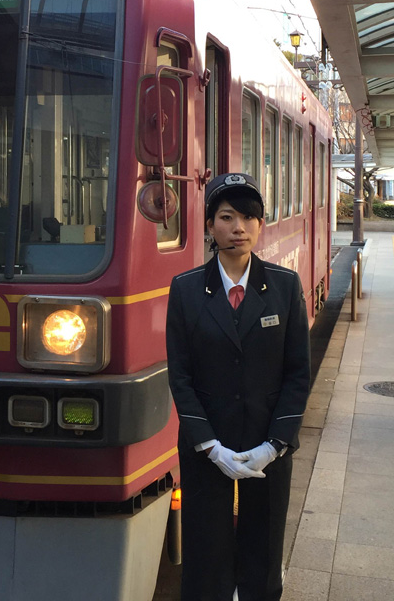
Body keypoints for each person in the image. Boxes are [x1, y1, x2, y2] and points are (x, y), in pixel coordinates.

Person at [166, 172, 310, 601]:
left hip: (269, 440)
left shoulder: (284, 287)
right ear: (210, 225)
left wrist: (275, 444)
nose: (239, 228)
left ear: (261, 225)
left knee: (264, 554)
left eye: (249, 217)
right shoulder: (187, 289)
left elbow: (297, 373)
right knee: (204, 553)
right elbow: (181, 377)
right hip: (207, 445)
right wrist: (210, 447)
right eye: (227, 217)